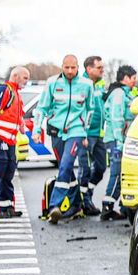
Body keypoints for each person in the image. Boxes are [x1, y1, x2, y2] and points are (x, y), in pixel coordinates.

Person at [34, 55, 97, 224]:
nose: (70, 71)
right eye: (66, 67)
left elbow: (90, 110)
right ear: (62, 66)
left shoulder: (87, 85)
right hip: (56, 131)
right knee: (66, 169)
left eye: (73, 68)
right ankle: (76, 204)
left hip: (76, 130)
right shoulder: (52, 83)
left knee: (66, 165)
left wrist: (84, 132)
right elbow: (42, 107)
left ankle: (55, 205)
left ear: (78, 67)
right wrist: (36, 129)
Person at [99, 65, 136, 220]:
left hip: (118, 139)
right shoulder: (119, 94)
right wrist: (120, 142)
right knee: (117, 172)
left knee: (121, 172)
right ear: (125, 78)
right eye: (133, 78)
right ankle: (107, 207)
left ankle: (118, 206)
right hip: (116, 140)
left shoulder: (122, 93)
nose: (135, 81)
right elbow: (116, 118)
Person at [0, 66, 30, 218]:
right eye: (25, 78)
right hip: (0, 139)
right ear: (15, 76)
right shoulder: (4, 90)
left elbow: (17, 115)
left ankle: (6, 206)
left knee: (8, 172)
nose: (26, 82)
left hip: (11, 141)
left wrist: (21, 125)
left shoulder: (16, 94)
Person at [79, 55, 108, 215]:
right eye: (99, 68)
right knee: (85, 169)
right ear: (89, 69)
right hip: (86, 134)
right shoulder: (82, 85)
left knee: (101, 167)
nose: (102, 70)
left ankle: (87, 194)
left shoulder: (100, 85)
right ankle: (83, 202)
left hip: (99, 134)